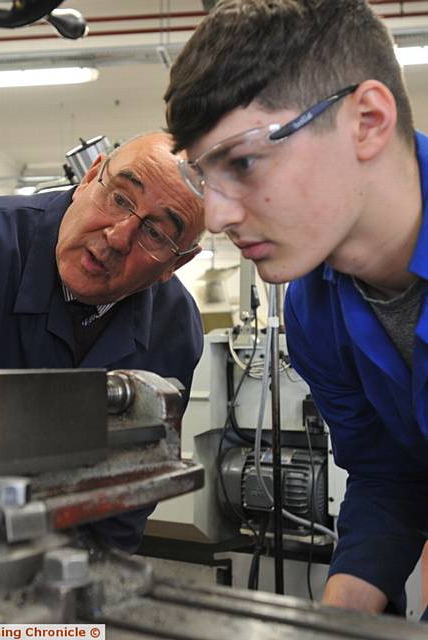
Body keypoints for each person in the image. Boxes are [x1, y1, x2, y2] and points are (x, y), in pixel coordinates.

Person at [164, 0, 428, 619]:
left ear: (366, 121)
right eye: (206, 178)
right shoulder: (313, 309)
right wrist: (335, 623)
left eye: (245, 161)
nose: (219, 217)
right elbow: (392, 477)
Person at [0, 131, 204, 552]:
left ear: (178, 261)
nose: (118, 236)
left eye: (156, 233)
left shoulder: (174, 327)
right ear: (90, 177)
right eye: (119, 198)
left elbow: (129, 489)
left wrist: (93, 588)